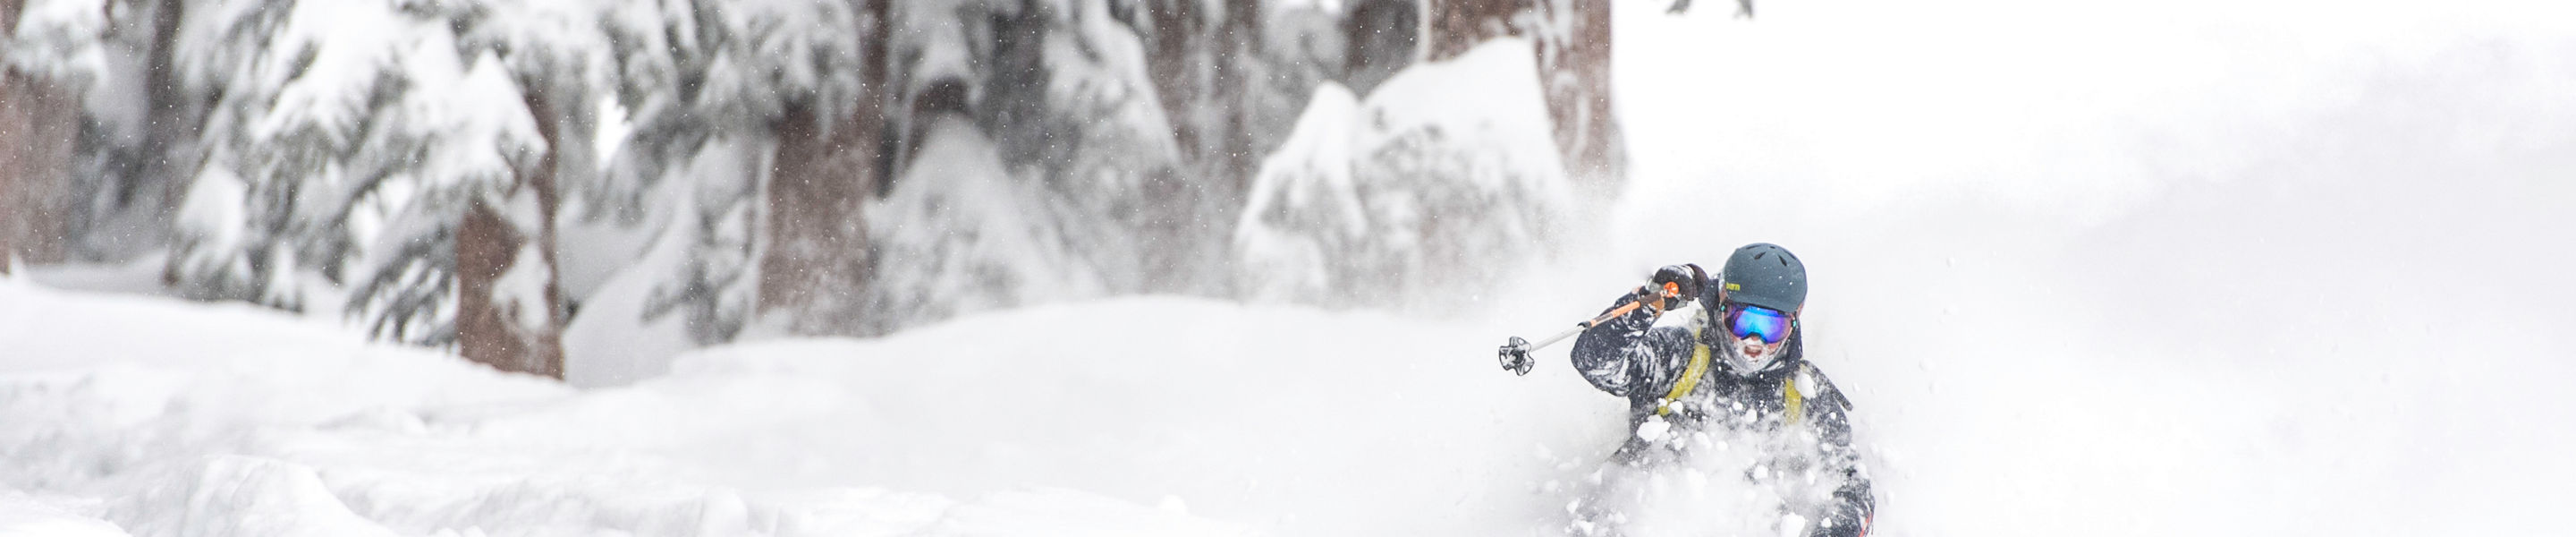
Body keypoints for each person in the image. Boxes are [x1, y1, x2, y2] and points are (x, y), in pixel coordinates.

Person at [1565, 243, 1873, 537]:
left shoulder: (1805, 395)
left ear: (1795, 321)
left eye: (1771, 328)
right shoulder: (1679, 359)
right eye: (1742, 322)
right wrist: (1648, 304)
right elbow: (1595, 362)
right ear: (1722, 305)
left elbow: (1851, 483)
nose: (1754, 342)